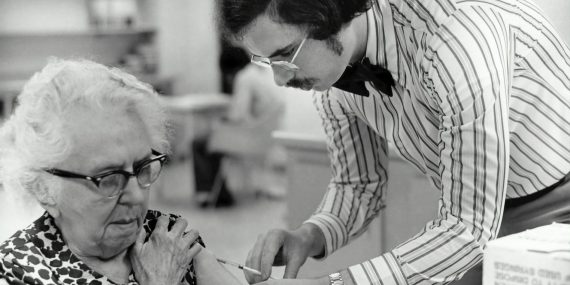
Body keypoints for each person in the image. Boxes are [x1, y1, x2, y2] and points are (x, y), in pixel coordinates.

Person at [216, 0, 570, 284]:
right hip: (483, 221)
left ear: (330, 13)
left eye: (286, 54)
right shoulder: (329, 79)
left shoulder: (456, 35)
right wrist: (307, 236)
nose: (279, 79)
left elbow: (467, 230)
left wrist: (334, 283)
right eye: (265, 61)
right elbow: (359, 185)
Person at [0, 59, 241, 284]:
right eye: (108, 178)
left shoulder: (166, 238)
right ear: (44, 189)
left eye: (142, 167)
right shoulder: (18, 270)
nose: (137, 196)